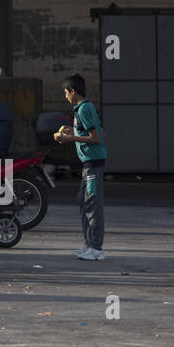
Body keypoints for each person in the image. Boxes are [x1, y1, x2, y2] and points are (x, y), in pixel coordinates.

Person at [54, 74, 107, 260]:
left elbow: (96, 138)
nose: (65, 96)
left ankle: (96, 249)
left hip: (93, 164)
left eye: (65, 92)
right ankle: (88, 244)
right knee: (83, 202)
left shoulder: (85, 109)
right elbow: (99, 131)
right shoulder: (83, 109)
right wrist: (74, 132)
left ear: (73, 91)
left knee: (93, 203)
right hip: (88, 164)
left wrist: (69, 138)